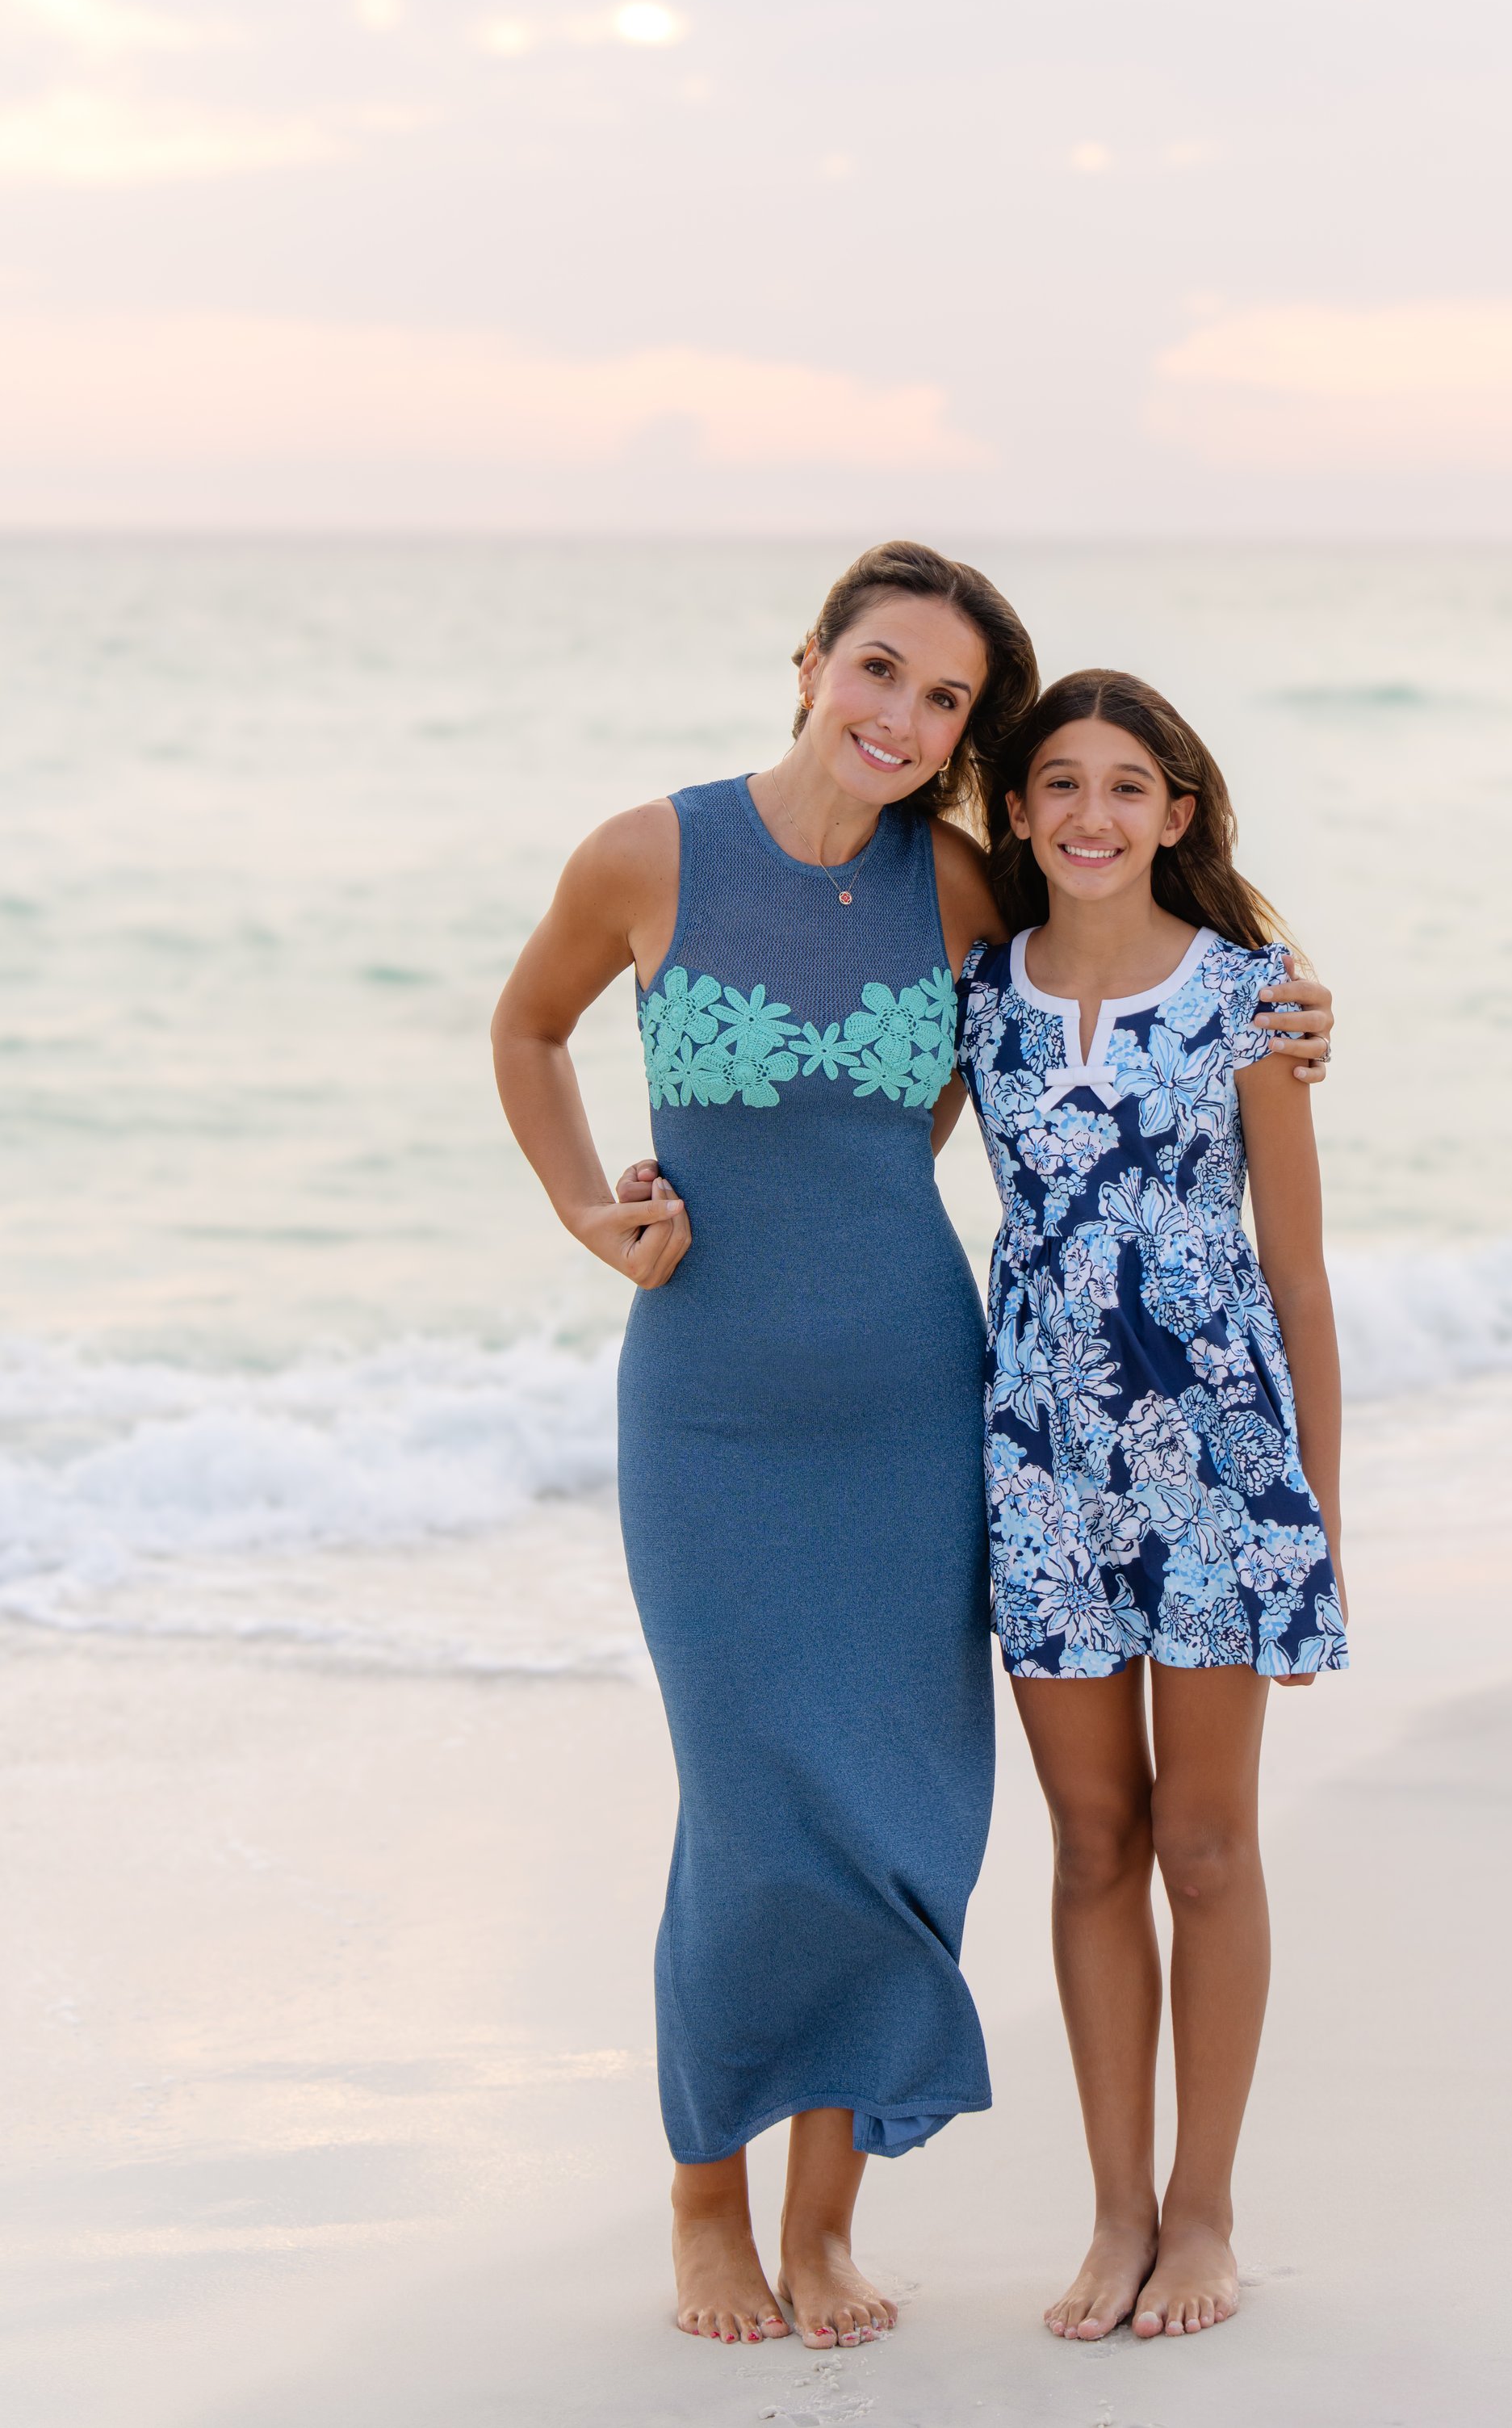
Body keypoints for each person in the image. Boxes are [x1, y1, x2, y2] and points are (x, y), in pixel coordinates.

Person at [492, 549, 1336, 2352]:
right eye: (879, 669)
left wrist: (1291, 1005)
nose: (901, 715)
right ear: (810, 661)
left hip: (924, 1404)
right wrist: (584, 1208)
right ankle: (705, 2199)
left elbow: (1095, 993)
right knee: (746, 1802)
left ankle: (825, 2223)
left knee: (887, 1807)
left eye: (945, 699)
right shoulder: (647, 853)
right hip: (717, 1404)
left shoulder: (955, 889)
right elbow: (528, 1025)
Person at [950, 667, 1348, 2346]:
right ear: (1017, 810)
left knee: (1204, 1842)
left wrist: (1314, 1529)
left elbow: (1297, 1277)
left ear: (1177, 813)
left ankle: (1203, 2212)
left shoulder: (1253, 999)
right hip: (1043, 1463)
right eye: (1060, 782)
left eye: (1128, 785)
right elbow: (855, 1158)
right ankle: (1114, 2210)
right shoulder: (981, 995)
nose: (1092, 814)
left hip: (1221, 1472)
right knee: (1092, 1840)